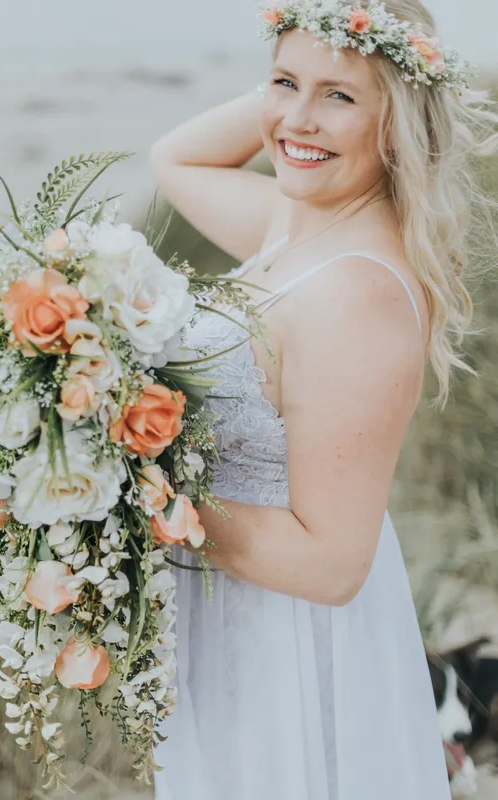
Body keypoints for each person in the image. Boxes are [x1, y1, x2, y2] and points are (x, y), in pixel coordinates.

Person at [149, 2, 497, 797]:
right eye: (283, 83)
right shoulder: (296, 226)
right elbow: (175, 160)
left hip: (290, 648)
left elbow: (335, 562)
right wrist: (309, 77)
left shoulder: (355, 293)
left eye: (341, 98)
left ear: (396, 123)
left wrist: (143, 500)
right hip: (232, 616)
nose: (300, 117)